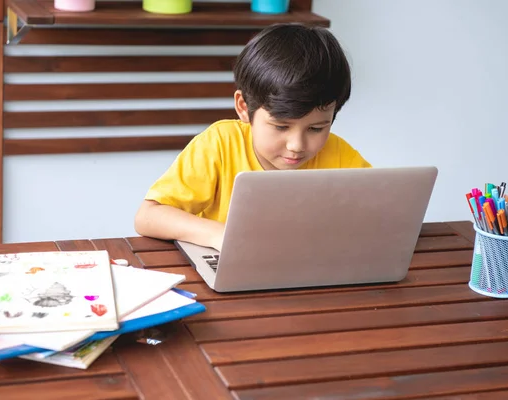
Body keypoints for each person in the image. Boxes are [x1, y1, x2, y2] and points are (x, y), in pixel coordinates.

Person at [134, 23, 371, 251]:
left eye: (316, 129)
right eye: (280, 127)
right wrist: (220, 235)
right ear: (244, 107)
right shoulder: (220, 144)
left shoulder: (339, 154)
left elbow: (382, 212)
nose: (297, 145)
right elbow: (148, 216)